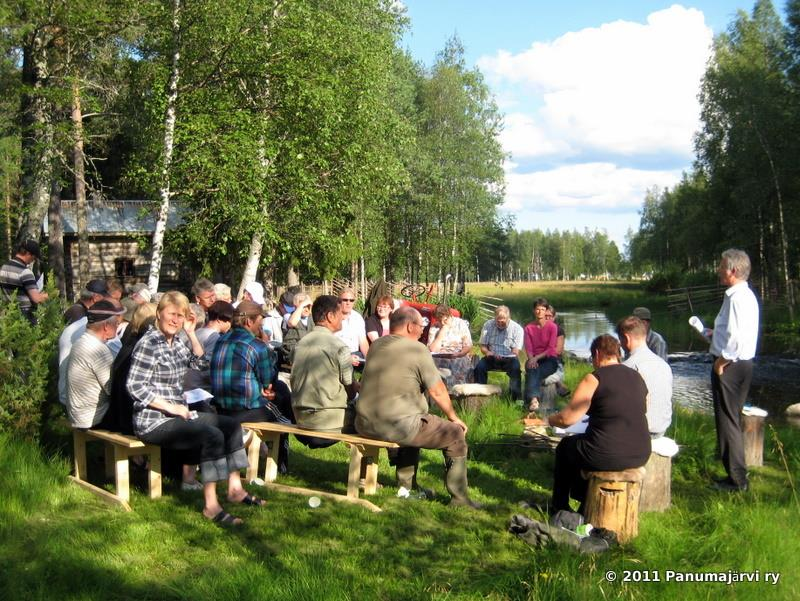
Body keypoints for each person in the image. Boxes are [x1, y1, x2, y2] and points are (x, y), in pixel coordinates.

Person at [126, 291, 262, 526]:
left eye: (180, 316)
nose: (176, 320)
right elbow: (134, 386)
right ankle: (211, 505)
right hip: (153, 421)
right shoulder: (148, 344)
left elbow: (200, 362)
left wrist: (190, 333)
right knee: (210, 435)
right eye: (172, 314)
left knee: (231, 425)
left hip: (178, 415)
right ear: (159, 314)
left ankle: (235, 489)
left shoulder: (177, 340)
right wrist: (172, 407)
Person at [356, 306, 480, 507]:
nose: (423, 329)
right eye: (420, 325)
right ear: (408, 326)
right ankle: (460, 499)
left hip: (364, 422)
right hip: (395, 425)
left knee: (416, 417)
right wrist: (453, 418)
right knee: (454, 435)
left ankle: (407, 487)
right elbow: (438, 391)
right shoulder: (417, 349)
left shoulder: (377, 345)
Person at [547, 334, 651, 514]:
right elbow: (643, 408)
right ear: (618, 353)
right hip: (641, 452)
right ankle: (585, 503)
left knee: (565, 447)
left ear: (596, 354)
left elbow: (567, 420)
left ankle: (559, 506)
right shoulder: (638, 376)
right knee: (585, 445)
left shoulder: (594, 378)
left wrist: (549, 419)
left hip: (607, 453)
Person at [210, 300, 293, 473]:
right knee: (286, 420)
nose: (261, 327)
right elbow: (268, 380)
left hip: (221, 409)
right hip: (247, 409)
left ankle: (263, 450)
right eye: (259, 323)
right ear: (249, 322)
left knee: (279, 395)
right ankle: (281, 466)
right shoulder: (256, 346)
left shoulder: (220, 341)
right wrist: (266, 347)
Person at [707, 249, 759, 492]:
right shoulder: (743, 295)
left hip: (731, 366)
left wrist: (721, 362)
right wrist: (712, 334)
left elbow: (736, 339)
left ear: (733, 271)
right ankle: (736, 476)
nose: (718, 270)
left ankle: (737, 480)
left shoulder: (738, 298)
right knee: (732, 420)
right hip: (740, 365)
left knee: (727, 422)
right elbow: (734, 332)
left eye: (721, 266)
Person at [291, 295, 361, 448]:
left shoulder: (299, 345)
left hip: (300, 418)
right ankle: (365, 470)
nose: (343, 318)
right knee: (371, 416)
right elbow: (350, 389)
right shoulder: (339, 347)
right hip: (329, 422)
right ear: (330, 316)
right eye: (340, 314)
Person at [65, 300, 126, 430]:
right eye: (116, 323)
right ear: (106, 326)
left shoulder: (80, 342)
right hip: (94, 417)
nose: (117, 326)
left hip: (78, 415)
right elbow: (112, 388)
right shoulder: (98, 350)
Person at [618, 316, 673, 438]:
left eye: (620, 341)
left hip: (640, 432)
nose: (621, 345)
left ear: (626, 338)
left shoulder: (628, 367)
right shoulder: (663, 365)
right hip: (661, 429)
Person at [474, 305, 524, 400]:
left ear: (509, 317)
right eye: (498, 320)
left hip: (509, 358)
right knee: (479, 367)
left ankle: (515, 398)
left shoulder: (517, 329)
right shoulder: (488, 325)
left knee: (516, 369)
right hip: (491, 357)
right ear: (495, 317)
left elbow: (517, 351)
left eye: (503, 320)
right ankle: (480, 395)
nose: (501, 322)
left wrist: (512, 352)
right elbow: (483, 346)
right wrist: (487, 352)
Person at [523, 298, 559, 412]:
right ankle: (534, 400)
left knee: (534, 371)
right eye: (537, 309)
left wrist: (535, 359)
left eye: (542, 309)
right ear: (534, 311)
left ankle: (532, 400)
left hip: (550, 359)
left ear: (546, 311)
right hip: (533, 359)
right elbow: (528, 348)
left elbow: (550, 348)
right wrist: (531, 359)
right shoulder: (528, 328)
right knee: (532, 368)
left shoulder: (553, 327)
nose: (540, 312)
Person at [0, 239, 48, 323]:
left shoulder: (3, 268)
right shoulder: (26, 272)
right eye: (34, 257)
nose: (34, 260)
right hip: (25, 318)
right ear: (28, 254)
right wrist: (46, 295)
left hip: (8, 315)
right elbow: (36, 299)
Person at [427, 304, 474, 389]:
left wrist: (459, 354)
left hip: (458, 355)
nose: (441, 322)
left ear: (449, 315)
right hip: (440, 356)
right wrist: (444, 329)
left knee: (456, 362)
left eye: (443, 319)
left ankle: (454, 390)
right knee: (430, 363)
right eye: (438, 320)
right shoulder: (435, 327)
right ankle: (436, 389)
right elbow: (432, 349)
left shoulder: (460, 324)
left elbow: (468, 345)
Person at [336, 287, 369, 365]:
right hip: (338, 355)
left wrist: (369, 359)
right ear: (338, 301)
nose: (348, 303)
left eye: (351, 300)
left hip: (356, 354)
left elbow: (363, 342)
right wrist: (347, 358)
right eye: (345, 300)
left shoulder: (357, 317)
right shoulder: (333, 316)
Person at [281, 292, 314, 363]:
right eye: (304, 307)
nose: (306, 309)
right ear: (296, 307)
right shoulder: (288, 316)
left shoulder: (312, 319)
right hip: (293, 354)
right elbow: (292, 323)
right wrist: (301, 306)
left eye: (308, 306)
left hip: (310, 354)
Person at [545, 305, 570, 398]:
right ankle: (557, 381)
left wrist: (543, 353)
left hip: (555, 361)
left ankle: (557, 381)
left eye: (550, 316)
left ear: (554, 317)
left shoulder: (559, 330)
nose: (547, 318)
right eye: (545, 316)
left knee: (541, 380)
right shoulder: (537, 328)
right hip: (540, 361)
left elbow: (558, 351)